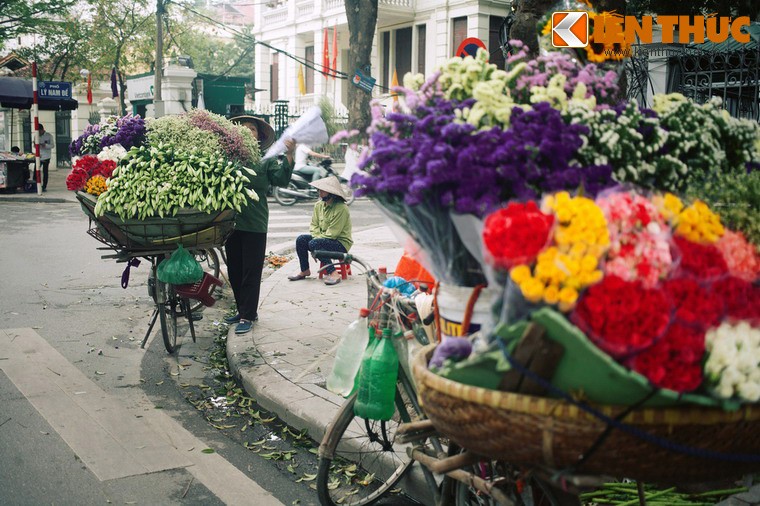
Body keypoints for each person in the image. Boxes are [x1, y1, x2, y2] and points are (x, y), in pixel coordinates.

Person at [226, 115, 296, 334]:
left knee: (251, 271)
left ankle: (248, 315)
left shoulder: (266, 158)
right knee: (234, 270)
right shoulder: (230, 157)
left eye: (253, 129)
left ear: (259, 136)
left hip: (254, 222)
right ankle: (243, 310)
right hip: (229, 222)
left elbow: (281, 179)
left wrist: (290, 154)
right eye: (244, 128)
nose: (248, 131)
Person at [288, 176, 353, 286]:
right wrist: (316, 243)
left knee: (314, 243)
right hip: (322, 239)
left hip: (340, 244)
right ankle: (305, 270)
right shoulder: (318, 205)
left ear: (331, 193)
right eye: (319, 190)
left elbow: (333, 234)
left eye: (322, 190)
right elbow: (314, 226)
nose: (319, 192)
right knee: (301, 239)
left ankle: (333, 273)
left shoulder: (341, 208)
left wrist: (315, 245)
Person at [37, 124, 53, 192]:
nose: (39, 133)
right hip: (38, 156)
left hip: (46, 156)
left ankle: (44, 186)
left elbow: (52, 145)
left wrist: (45, 145)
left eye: (39, 131)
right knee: (36, 171)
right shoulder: (36, 136)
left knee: (45, 172)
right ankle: (36, 185)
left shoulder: (49, 136)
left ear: (42, 129)